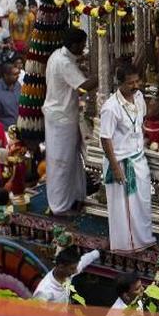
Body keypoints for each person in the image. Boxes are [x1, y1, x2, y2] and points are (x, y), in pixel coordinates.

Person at [43, 28, 97, 215]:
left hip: (62, 115)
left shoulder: (58, 54)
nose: (83, 48)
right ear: (74, 45)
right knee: (61, 162)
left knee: (72, 160)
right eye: (82, 45)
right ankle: (59, 207)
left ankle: (73, 197)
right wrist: (105, 71)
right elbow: (84, 87)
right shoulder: (64, 62)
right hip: (62, 118)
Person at [100, 65, 154, 253]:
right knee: (124, 207)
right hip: (122, 161)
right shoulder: (111, 107)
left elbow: (141, 123)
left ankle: (144, 238)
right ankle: (127, 245)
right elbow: (105, 138)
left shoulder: (139, 98)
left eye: (137, 81)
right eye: (130, 83)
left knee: (143, 200)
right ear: (120, 83)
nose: (135, 85)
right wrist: (115, 168)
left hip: (139, 157)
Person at [31, 245, 101, 303]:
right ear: (61, 267)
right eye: (72, 268)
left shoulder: (67, 273)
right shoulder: (44, 292)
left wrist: (97, 252)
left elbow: (83, 261)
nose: (76, 271)